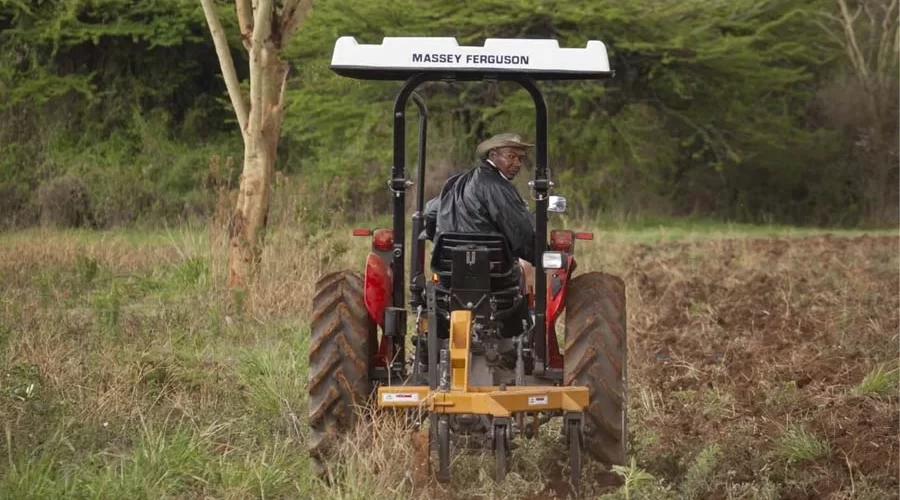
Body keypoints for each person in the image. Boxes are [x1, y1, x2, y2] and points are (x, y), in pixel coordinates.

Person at [423, 132, 536, 296]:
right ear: (493, 155)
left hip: (449, 273)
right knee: (528, 271)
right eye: (511, 157)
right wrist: (543, 254)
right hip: (495, 276)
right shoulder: (500, 187)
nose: (517, 163)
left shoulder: (457, 182)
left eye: (520, 159)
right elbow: (520, 233)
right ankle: (530, 318)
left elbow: (430, 213)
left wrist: (441, 240)